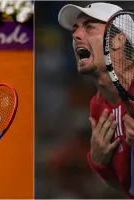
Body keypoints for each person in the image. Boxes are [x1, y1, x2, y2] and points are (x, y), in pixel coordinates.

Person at [58, 2, 134, 198]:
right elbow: (126, 185)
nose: (76, 35)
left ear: (118, 40)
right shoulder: (97, 105)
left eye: (89, 27)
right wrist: (98, 162)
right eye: (75, 29)